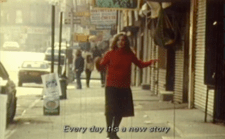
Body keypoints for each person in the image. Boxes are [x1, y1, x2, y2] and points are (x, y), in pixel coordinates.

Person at [96, 33, 158, 139]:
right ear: (115, 42)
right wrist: (97, 63)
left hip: (124, 86)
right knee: (110, 110)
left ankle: (114, 132)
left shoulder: (130, 54)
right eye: (119, 40)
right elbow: (101, 68)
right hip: (111, 86)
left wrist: (151, 62)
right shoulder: (110, 54)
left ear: (126, 42)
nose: (121, 42)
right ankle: (109, 131)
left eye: (123, 40)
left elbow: (140, 64)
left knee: (120, 111)